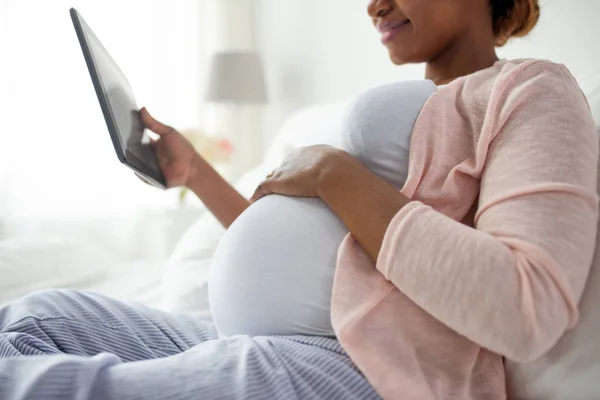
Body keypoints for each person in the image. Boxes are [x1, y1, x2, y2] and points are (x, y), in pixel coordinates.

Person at [1, 0, 598, 399]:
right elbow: (335, 265)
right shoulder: (412, 113)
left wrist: (333, 173)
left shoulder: (532, 89)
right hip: (258, 334)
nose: (374, 4)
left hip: (372, 367)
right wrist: (197, 173)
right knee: (38, 317)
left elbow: (527, 307)